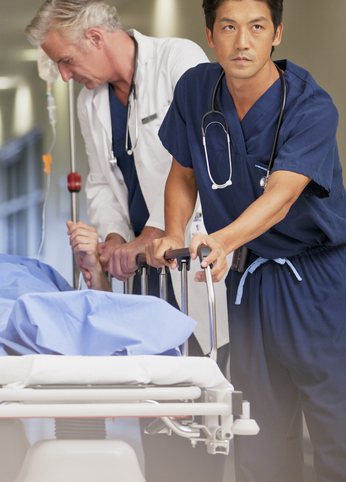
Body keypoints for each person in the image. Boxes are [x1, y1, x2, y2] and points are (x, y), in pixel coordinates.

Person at [25, 2, 226, 481]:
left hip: (186, 260)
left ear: (95, 38)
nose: (65, 74)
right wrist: (117, 239)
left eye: (66, 60)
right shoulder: (90, 101)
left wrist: (149, 237)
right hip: (145, 277)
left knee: (197, 416)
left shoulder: (179, 61)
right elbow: (101, 181)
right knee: (154, 412)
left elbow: (201, 164)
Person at [147, 0, 346, 480]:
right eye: (229, 27)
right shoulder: (197, 89)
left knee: (335, 426)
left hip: (316, 280)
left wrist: (222, 240)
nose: (242, 42)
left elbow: (281, 195)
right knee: (257, 429)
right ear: (210, 35)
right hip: (250, 282)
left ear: (276, 33)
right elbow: (183, 172)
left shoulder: (309, 106)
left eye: (256, 27)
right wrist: (174, 231)